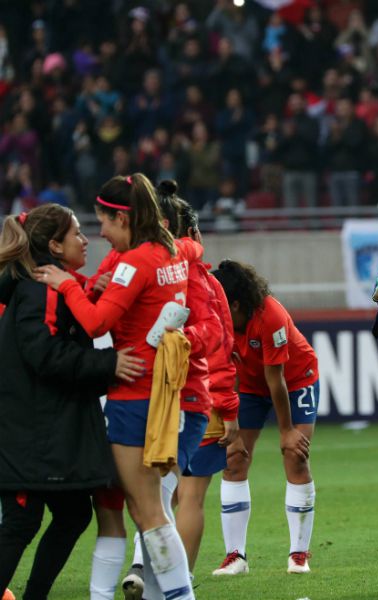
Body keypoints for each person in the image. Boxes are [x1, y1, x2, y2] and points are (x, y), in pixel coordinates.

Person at [35, 173, 204, 600]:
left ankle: (181, 596)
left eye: (105, 223)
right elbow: (194, 248)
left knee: (148, 512)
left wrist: (67, 284)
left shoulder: (135, 261)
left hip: (135, 394)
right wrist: (94, 286)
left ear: (124, 220)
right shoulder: (171, 248)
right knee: (150, 509)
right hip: (164, 392)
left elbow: (96, 323)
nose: (102, 234)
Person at [0, 204, 142, 598]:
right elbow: (44, 355)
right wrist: (107, 363)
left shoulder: (54, 287)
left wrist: (86, 289)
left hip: (44, 427)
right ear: (54, 246)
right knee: (21, 521)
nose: (85, 239)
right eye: (76, 233)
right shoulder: (39, 289)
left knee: (73, 513)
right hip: (30, 431)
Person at [121, 180, 233, 595]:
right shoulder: (186, 271)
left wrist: (175, 342)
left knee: (160, 498)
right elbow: (221, 339)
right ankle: (169, 584)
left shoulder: (171, 270)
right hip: (172, 398)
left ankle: (160, 581)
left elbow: (210, 335)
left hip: (170, 398)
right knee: (165, 499)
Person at [211, 260, 316, 575]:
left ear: (237, 303)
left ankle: (299, 555)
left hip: (297, 379)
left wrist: (286, 431)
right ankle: (235, 557)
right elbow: (223, 369)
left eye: (219, 303)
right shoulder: (218, 319)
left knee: (295, 454)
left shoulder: (270, 316)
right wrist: (230, 419)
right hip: (248, 385)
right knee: (233, 458)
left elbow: (277, 379)